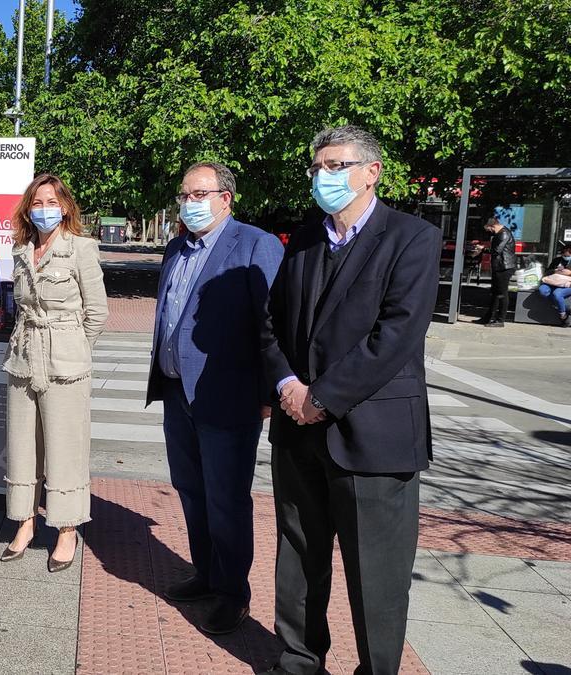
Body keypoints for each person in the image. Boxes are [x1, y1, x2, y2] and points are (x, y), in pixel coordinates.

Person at [259, 125, 440, 675]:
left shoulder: (412, 237)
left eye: (335, 166)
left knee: (376, 574)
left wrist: (325, 397)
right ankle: (298, 660)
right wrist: (289, 386)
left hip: (372, 436)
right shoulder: (307, 238)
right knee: (297, 557)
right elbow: (271, 324)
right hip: (298, 429)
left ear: (371, 172)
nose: (323, 177)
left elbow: (398, 333)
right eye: (317, 167)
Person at [145, 162, 284, 634]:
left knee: (226, 499)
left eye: (199, 193)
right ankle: (205, 573)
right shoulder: (176, 248)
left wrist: (270, 391)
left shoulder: (255, 244)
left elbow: (272, 323)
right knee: (191, 491)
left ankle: (232, 593)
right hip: (175, 392)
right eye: (184, 194)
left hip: (227, 396)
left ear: (226, 197)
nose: (190, 202)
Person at [0, 173, 108, 573]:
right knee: (23, 444)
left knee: (66, 448)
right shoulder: (21, 249)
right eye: (36, 202)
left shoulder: (81, 248)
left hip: (65, 360)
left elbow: (97, 312)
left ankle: (66, 529)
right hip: (23, 357)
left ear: (64, 207)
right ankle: (25, 523)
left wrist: (75, 347)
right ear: (28, 208)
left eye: (51, 202)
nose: (43, 209)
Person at [478, 213, 516, 327]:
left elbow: (496, 250)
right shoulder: (501, 233)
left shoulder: (503, 234)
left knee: (501, 294)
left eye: (488, 229)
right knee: (495, 293)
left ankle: (500, 320)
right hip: (500, 267)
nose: (489, 231)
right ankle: (489, 317)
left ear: (492, 226)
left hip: (504, 267)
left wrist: (483, 248)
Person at [537, 244, 571, 327]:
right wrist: (555, 271)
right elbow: (548, 272)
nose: (564, 255)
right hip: (552, 283)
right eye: (563, 253)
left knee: (557, 294)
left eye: (566, 254)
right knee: (542, 290)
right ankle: (564, 307)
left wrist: (568, 273)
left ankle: (563, 316)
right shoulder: (557, 260)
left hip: (567, 284)